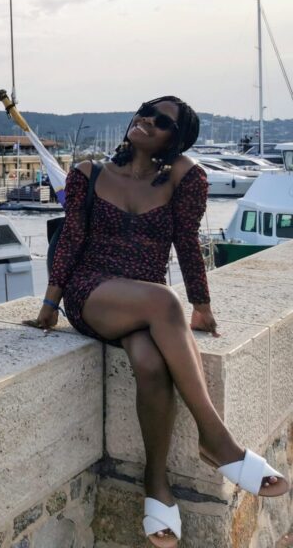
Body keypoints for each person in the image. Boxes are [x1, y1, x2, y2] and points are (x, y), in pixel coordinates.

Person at [36, 96, 288, 547]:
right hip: (92, 292)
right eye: (145, 111)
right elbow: (71, 238)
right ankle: (218, 442)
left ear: (176, 137)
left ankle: (156, 484)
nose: (146, 121)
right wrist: (50, 304)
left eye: (161, 121)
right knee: (162, 303)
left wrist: (202, 304)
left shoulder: (181, 180)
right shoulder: (88, 174)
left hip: (146, 305)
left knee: (152, 365)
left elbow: (187, 241)